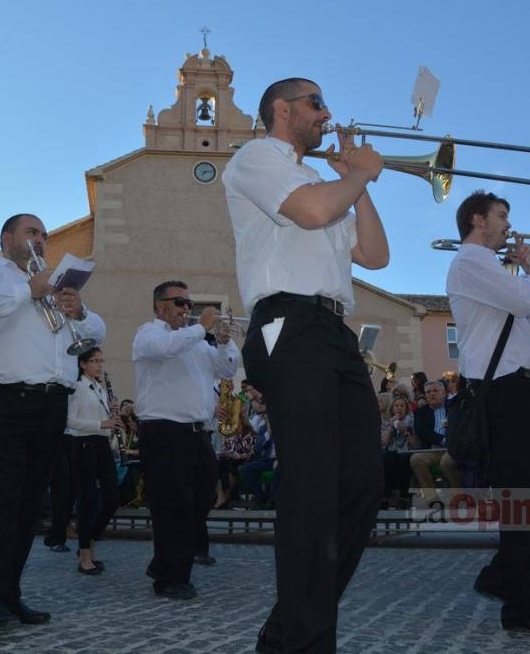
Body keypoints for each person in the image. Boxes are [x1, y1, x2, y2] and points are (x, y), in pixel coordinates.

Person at [223, 77, 387, 652]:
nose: (326, 113)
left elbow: (375, 255)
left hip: (332, 330)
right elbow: (313, 213)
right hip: (285, 323)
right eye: (316, 103)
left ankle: (291, 625)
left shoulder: (323, 180)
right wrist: (359, 173)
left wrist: (355, 180)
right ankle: (303, 639)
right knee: (311, 486)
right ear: (282, 109)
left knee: (364, 483)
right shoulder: (258, 156)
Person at [0, 213, 105, 630]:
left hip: (51, 402)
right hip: (3, 398)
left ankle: (9, 593)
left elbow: (97, 332)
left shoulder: (55, 284)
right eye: (31, 232)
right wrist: (27, 290)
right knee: (1, 500)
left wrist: (79, 308)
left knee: (28, 504)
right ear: (7, 238)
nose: (40, 238)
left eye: (43, 234)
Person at [446, 191, 530, 635]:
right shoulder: (471, 261)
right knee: (528, 502)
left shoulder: (494, 269)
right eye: (502, 216)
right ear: (477, 219)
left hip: (527, 390)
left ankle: (504, 575)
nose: (509, 224)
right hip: (504, 393)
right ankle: (525, 610)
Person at [132, 281, 240, 600]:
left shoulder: (197, 343)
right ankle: (171, 578)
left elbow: (225, 368)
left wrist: (222, 343)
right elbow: (165, 349)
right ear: (159, 306)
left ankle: (164, 561)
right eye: (179, 302)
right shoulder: (148, 334)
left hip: (197, 434)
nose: (185, 309)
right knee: (172, 507)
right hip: (164, 431)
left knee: (201, 501)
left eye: (188, 303)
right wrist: (201, 329)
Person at [65, 346, 120, 575]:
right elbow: (69, 421)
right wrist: (101, 424)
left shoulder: (100, 388)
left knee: (113, 498)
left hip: (101, 445)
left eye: (101, 360)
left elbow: (104, 421)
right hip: (84, 445)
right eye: (94, 361)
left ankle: (89, 540)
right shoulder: (76, 388)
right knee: (87, 500)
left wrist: (112, 415)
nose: (99, 365)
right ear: (82, 364)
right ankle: (85, 555)